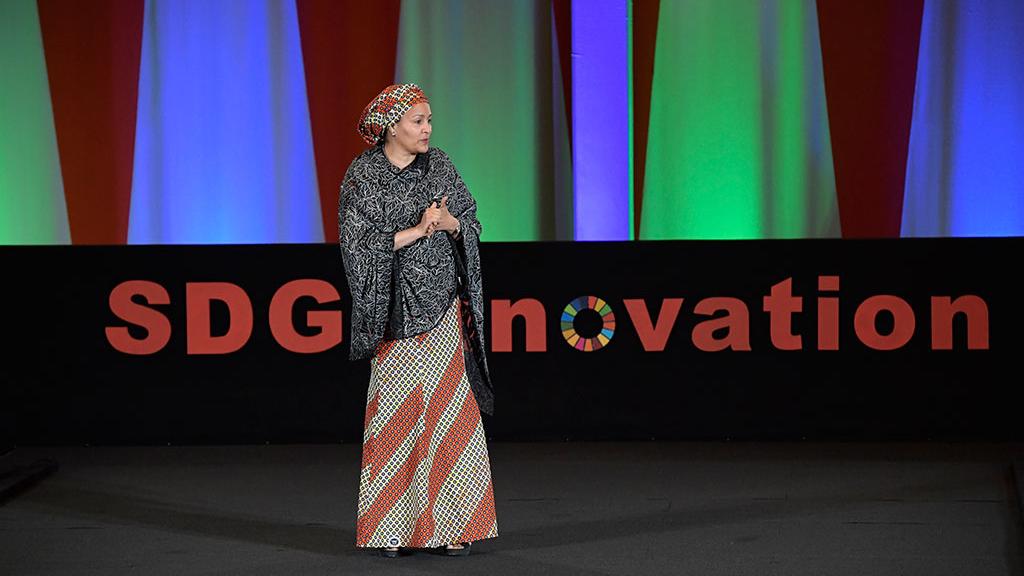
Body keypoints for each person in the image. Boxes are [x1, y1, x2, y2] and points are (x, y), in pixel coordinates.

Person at [338, 83, 497, 558]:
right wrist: (416, 230)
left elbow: (470, 222)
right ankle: (391, 528)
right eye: (418, 121)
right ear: (392, 126)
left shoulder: (440, 166)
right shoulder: (363, 176)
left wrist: (450, 224)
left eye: (430, 121)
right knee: (397, 414)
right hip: (393, 310)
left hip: (442, 304)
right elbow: (357, 246)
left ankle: (454, 525)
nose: (427, 129)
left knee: (451, 413)